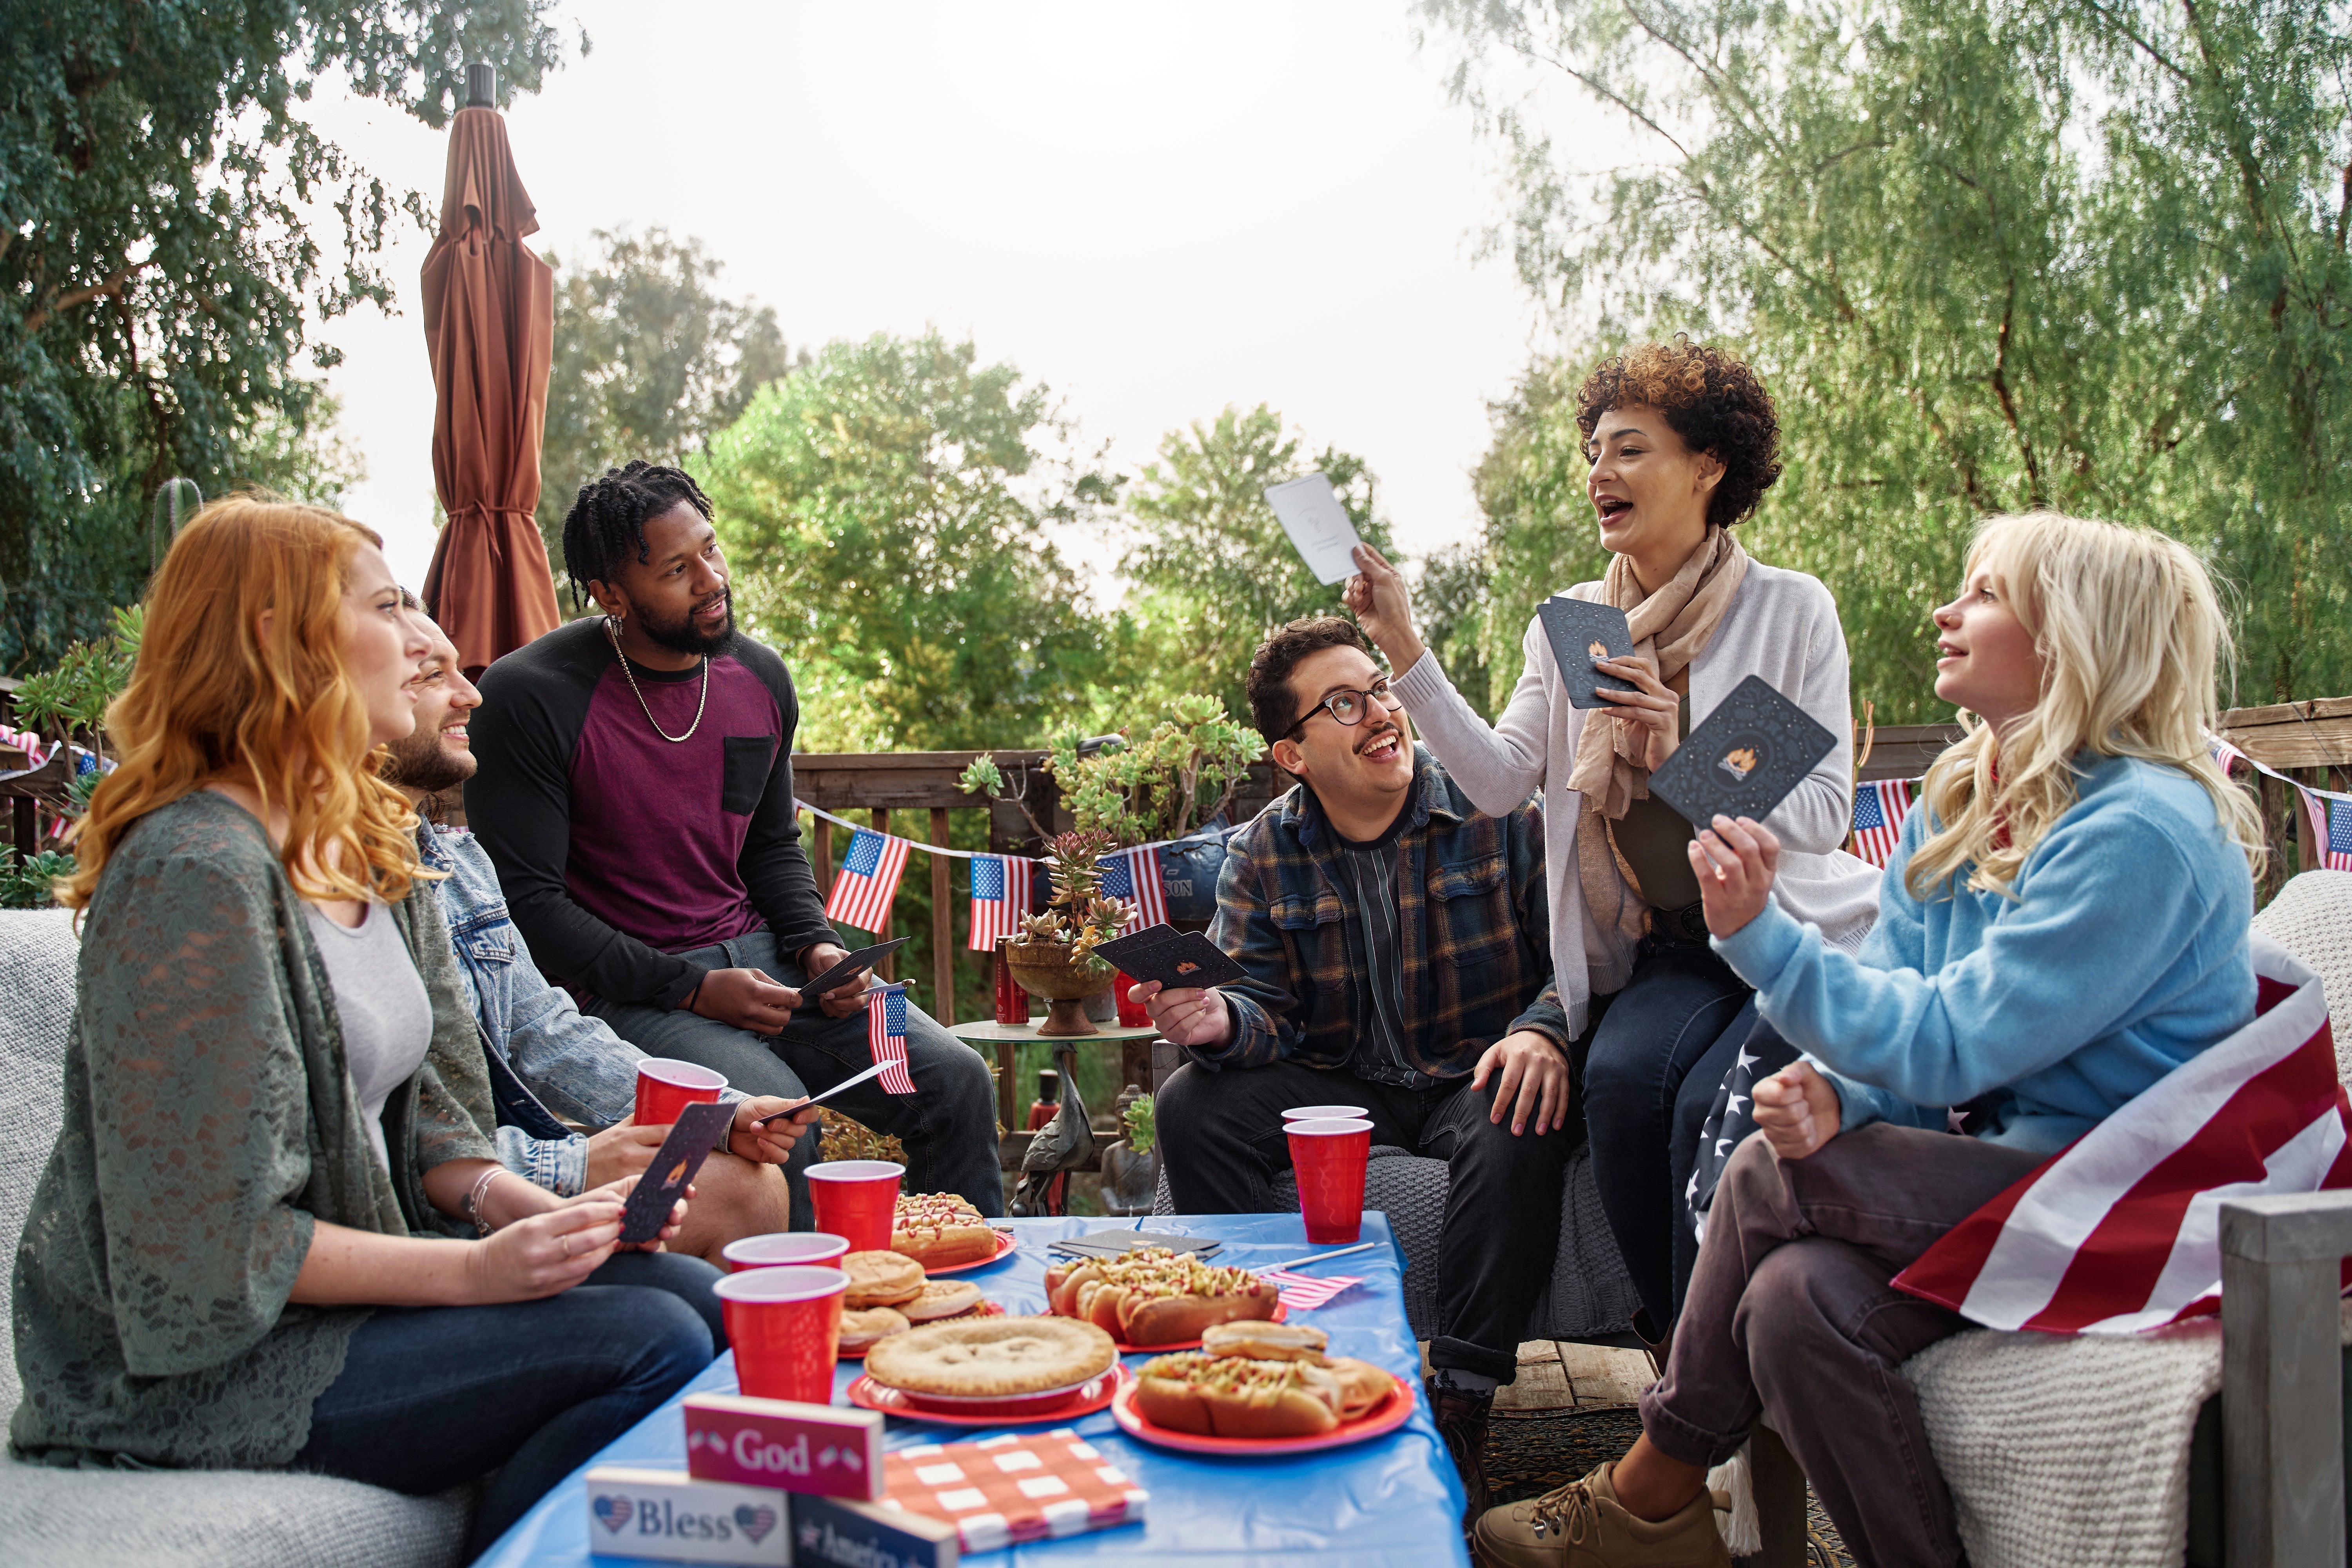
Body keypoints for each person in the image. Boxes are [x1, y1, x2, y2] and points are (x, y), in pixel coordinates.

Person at [1469, 512, 2264, 1568]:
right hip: (2015, 1169)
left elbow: (1951, 1042)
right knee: (1796, 1307)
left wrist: (1759, 936)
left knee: (1763, 1180)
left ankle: (1648, 1487)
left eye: (1985, 593)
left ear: (2073, 636)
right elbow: (1902, 986)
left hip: (2133, 1197)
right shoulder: (1967, 798)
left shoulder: (2143, 830)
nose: (1948, 608)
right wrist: (1846, 1095)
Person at [9, 497, 720, 1557]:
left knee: (700, 1297)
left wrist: (533, 1212)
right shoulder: (193, 873)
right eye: (388, 608)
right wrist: (480, 1273)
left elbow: (425, 1116)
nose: (423, 643)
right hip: (192, 1368)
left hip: (345, 1301)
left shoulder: (354, 847)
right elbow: (212, 1246)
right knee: (652, 1339)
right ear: (277, 637)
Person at [1347, 339, 1878, 1335]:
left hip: (1783, 928)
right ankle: (1687, 1356)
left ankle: (1708, 1380)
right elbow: (1503, 781)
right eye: (1595, 451)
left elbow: (1821, 816)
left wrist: (1683, 746)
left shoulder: (1784, 610)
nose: (1600, 473)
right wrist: (1404, 646)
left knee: (1693, 1109)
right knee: (1626, 1082)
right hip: (1667, 946)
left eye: (1630, 450)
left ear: (1709, 464)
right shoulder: (1576, 622)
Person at [464, 461, 1003, 1222]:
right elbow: (533, 907)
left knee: (955, 1077)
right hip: (631, 989)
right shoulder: (531, 696)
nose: (711, 578)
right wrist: (690, 988)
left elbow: (769, 844)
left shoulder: (758, 676)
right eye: (677, 568)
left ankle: (964, 1302)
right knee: (779, 1126)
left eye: (710, 550)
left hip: (772, 962)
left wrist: (817, 944)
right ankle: (819, 1321)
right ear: (610, 594)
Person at [1145, 615, 1577, 1520]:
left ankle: (1460, 1405)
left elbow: (1576, 964)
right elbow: (1263, 1013)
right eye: (1344, 702)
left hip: (1477, 1071)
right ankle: (1258, 1356)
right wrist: (1219, 1020)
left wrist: (1542, 1028)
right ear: (1293, 752)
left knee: (1519, 1109)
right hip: (1344, 1084)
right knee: (1190, 1104)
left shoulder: (1497, 812)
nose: (1381, 710)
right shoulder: (1262, 852)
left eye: (1378, 687)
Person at [382, 597, 815, 1263]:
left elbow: (541, 1029)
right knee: (690, 1292)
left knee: (748, 1181)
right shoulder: (265, 884)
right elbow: (374, 1155)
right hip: (431, 1231)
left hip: (504, 1177)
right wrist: (573, 1166)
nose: (472, 694)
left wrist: (718, 1114)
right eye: (429, 676)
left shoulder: (456, 865)